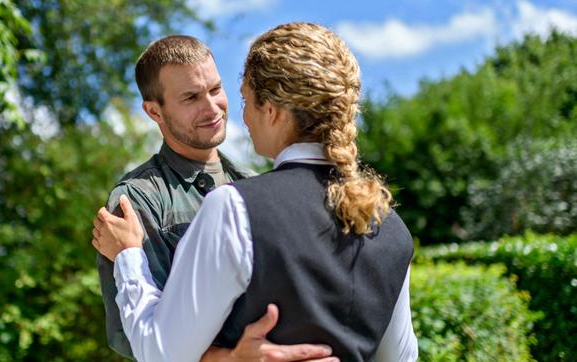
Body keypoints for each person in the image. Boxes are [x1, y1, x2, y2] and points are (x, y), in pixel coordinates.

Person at [93, 23, 418, 361]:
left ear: (272, 110)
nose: (220, 109)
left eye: (225, 92)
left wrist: (130, 258)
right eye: (191, 97)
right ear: (153, 111)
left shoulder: (239, 202)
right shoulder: (391, 227)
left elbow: (160, 350)